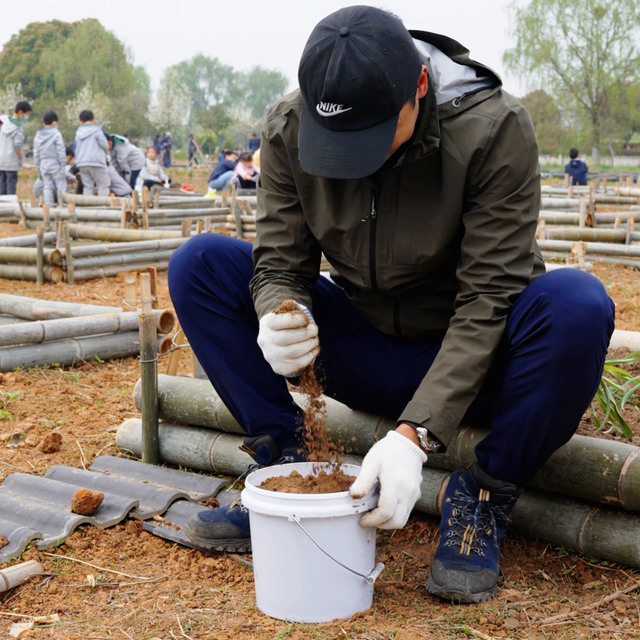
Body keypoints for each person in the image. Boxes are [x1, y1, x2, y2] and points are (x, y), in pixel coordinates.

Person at [167, 7, 614, 604]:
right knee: (199, 265)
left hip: (478, 363)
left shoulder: (492, 128)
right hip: (367, 348)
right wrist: (280, 309)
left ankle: (481, 496)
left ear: (419, 89)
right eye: (338, 144)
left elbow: (489, 297)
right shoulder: (288, 128)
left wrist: (415, 432)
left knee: (578, 305)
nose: (358, 161)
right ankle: (287, 466)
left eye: (373, 136)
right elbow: (279, 263)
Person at [33, 111, 66, 205]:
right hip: (55, 163)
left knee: (47, 187)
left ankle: (49, 208)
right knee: (61, 185)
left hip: (43, 164)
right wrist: (63, 165)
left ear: (44, 123)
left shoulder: (38, 135)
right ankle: (62, 206)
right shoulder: (57, 134)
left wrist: (38, 168)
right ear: (55, 122)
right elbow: (61, 151)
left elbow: (36, 154)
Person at [74, 110, 110, 197]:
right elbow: (105, 145)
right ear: (93, 120)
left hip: (82, 163)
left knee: (88, 186)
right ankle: (103, 206)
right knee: (103, 184)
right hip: (96, 162)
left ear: (80, 121)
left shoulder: (78, 133)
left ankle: (87, 207)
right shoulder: (97, 131)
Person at [0, 101, 31, 196]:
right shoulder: (17, 127)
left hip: (1, 159)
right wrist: (20, 159)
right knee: (11, 183)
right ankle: (10, 205)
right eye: (26, 114)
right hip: (11, 160)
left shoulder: (5, 123)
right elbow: (17, 146)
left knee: (2, 183)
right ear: (20, 112)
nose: (26, 116)